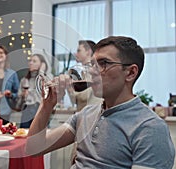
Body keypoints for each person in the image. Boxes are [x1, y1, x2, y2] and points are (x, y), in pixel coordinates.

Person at [26, 36, 175, 168]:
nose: (92, 71)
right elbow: (34, 148)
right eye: (92, 64)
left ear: (130, 73)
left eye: (103, 63)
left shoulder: (150, 127)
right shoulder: (85, 115)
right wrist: (47, 105)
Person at [11, 54, 47, 128]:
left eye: (34, 61)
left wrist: (41, 71)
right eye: (30, 61)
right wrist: (23, 96)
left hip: (39, 110)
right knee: (23, 135)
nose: (31, 63)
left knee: (38, 136)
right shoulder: (24, 80)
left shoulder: (45, 79)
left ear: (42, 64)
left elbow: (45, 95)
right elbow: (18, 102)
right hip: (26, 110)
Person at [68, 40, 102, 112]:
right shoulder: (82, 72)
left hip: (92, 114)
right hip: (83, 114)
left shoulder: (93, 71)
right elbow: (74, 101)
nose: (76, 54)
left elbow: (83, 97)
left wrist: (71, 87)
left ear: (88, 52)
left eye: (79, 51)